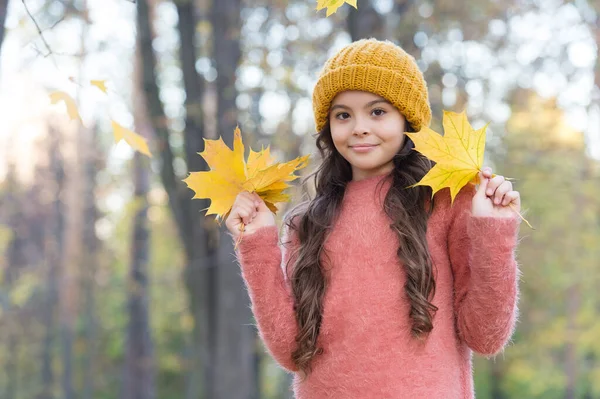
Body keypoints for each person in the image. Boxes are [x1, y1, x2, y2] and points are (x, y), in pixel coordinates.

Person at [225, 38, 521, 399]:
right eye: (343, 114)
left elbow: (486, 336)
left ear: (407, 119)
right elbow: (290, 351)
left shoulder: (445, 203)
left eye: (378, 112)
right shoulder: (308, 224)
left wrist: (494, 234)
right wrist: (256, 246)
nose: (359, 127)